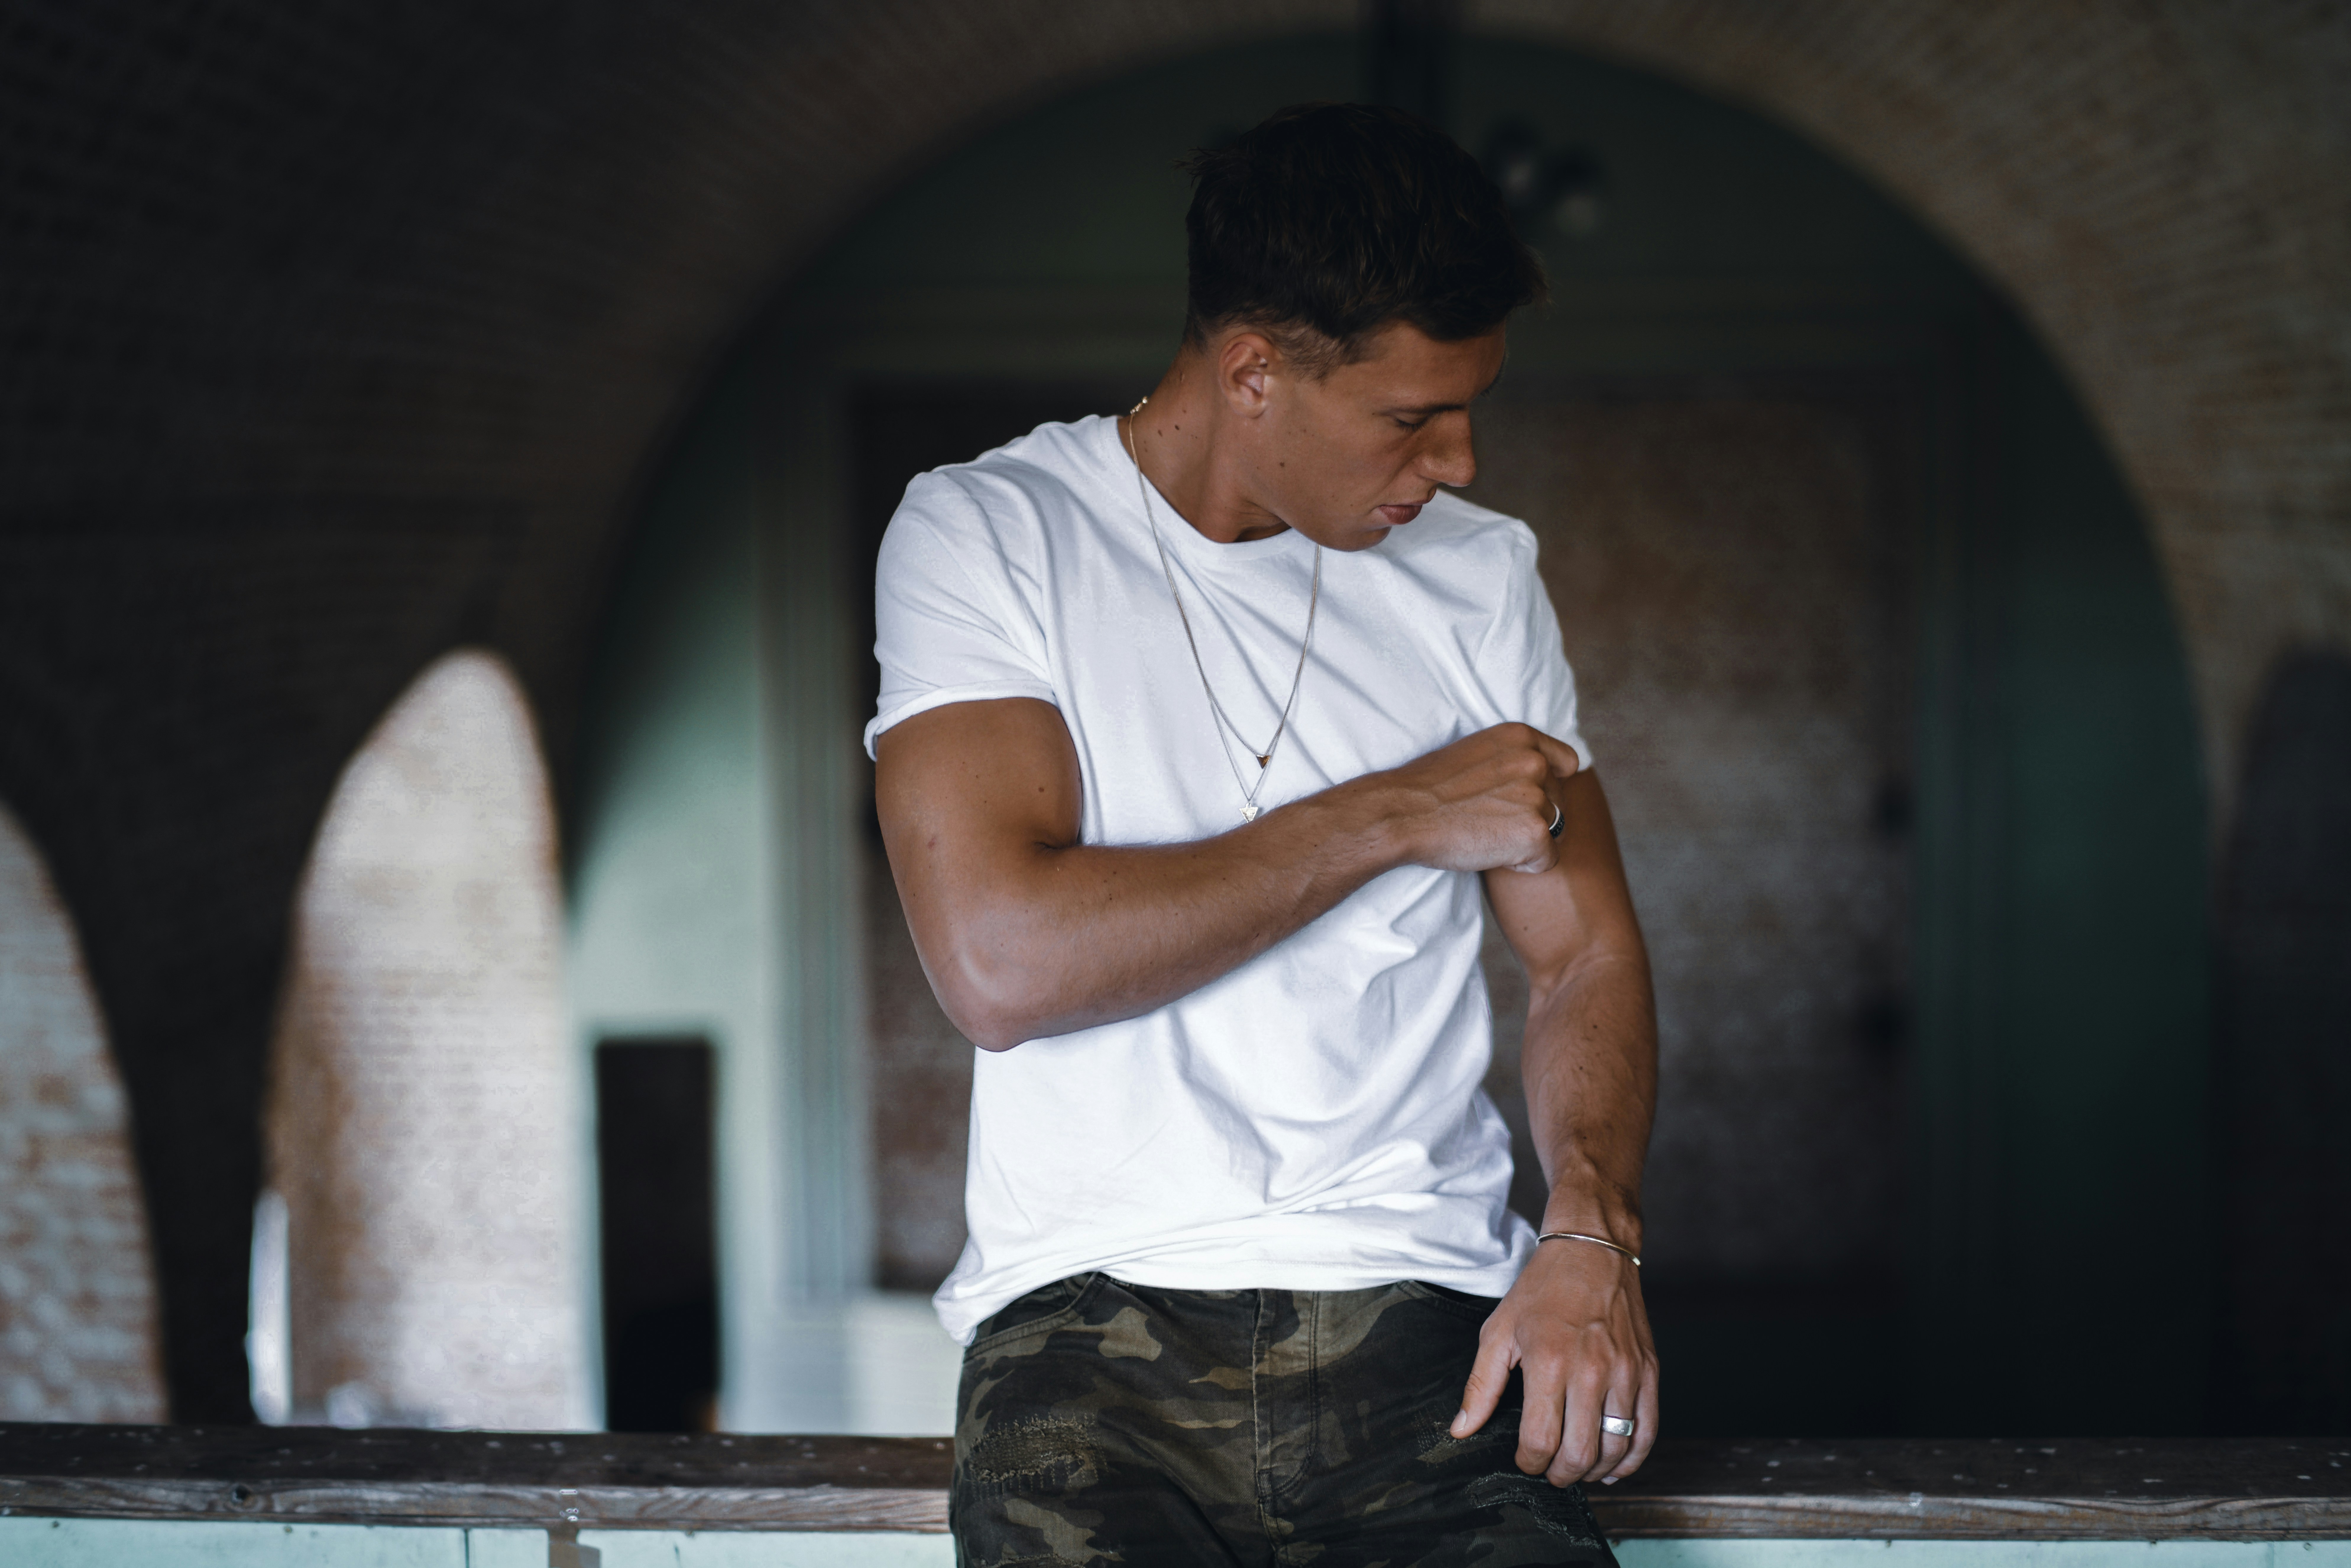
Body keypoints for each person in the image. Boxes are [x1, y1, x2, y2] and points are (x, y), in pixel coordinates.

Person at [866, 102, 1659, 1566]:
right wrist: (1396, 812)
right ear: (1250, 374)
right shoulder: (988, 534)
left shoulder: (1480, 580)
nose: (1463, 462)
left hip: (1426, 1317)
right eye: (1411, 418)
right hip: (1083, 1333)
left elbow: (1581, 953)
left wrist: (1587, 1238)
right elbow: (1001, 965)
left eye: (1472, 406)